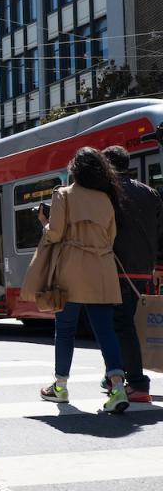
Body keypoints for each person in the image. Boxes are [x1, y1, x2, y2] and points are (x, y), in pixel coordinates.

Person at [22, 147, 128, 414]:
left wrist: (45, 223)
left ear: (75, 170)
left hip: (70, 270)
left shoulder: (63, 194)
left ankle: (60, 386)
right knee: (105, 331)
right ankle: (117, 387)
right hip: (102, 271)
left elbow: (56, 234)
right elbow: (111, 236)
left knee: (65, 330)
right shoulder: (106, 198)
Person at [102, 146, 163, 402]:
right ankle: (116, 375)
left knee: (121, 325)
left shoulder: (108, 194)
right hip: (144, 272)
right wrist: (158, 265)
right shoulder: (150, 193)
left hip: (118, 271)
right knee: (130, 325)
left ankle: (137, 383)